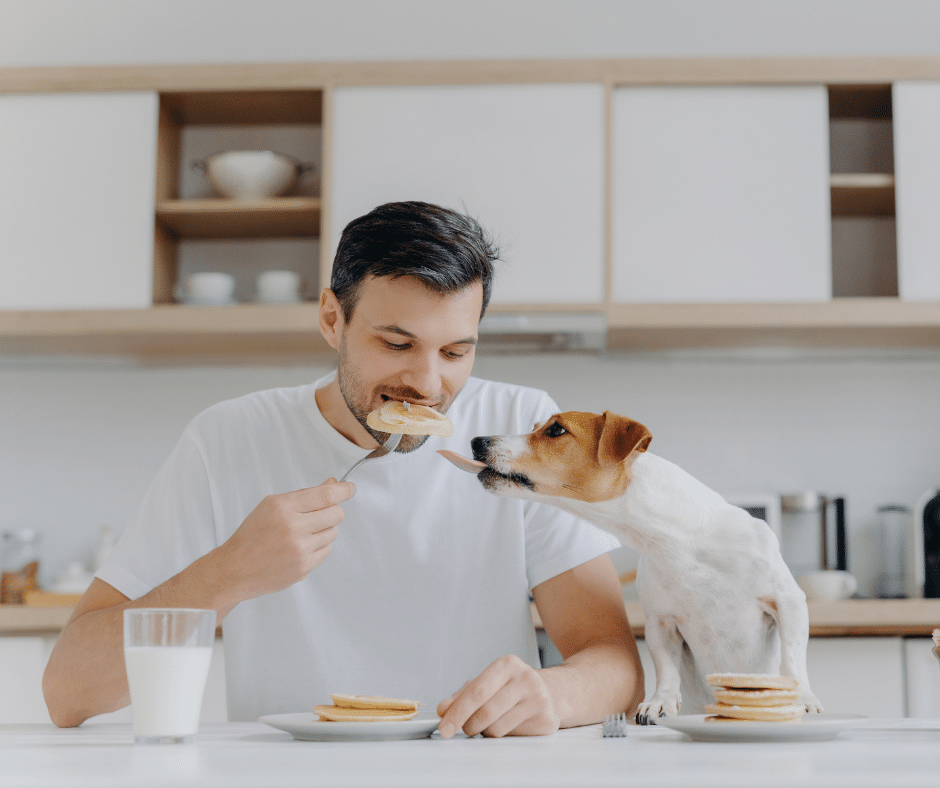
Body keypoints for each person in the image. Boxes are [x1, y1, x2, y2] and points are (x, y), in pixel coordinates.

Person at [43, 201, 644, 738]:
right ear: (333, 319)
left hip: (470, 767)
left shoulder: (521, 428)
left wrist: (552, 695)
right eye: (396, 345)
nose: (429, 385)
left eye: (456, 352)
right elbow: (68, 692)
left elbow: (616, 666)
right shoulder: (228, 440)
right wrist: (231, 572)